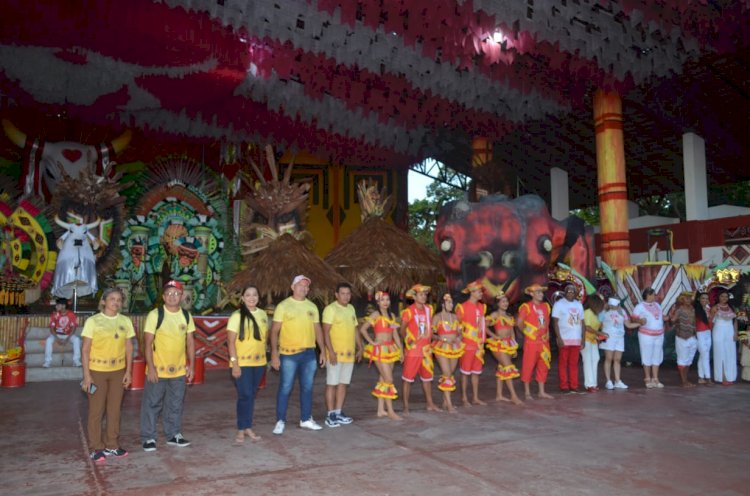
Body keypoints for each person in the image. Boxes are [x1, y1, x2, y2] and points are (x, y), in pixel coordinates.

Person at [140, 280, 196, 451]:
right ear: (163, 296)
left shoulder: (186, 316)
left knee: (175, 403)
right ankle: (148, 437)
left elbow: (190, 343)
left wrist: (191, 366)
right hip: (158, 370)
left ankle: (173, 434)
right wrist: (151, 368)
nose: (173, 296)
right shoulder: (155, 315)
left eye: (176, 293)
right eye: (169, 293)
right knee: (152, 403)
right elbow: (147, 343)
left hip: (178, 370)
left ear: (181, 296)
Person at [81, 288, 134, 462]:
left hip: (118, 371)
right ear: (103, 301)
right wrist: (87, 376)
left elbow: (129, 348)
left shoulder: (125, 321)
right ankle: (96, 447)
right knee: (96, 410)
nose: (116, 302)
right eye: (112, 298)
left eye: (119, 299)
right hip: (97, 372)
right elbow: (85, 349)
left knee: (114, 410)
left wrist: (128, 371)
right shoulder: (93, 321)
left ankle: (112, 444)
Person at [270, 275, 326, 435]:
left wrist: (322, 350)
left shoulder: (312, 307)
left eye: (307, 286)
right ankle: (280, 420)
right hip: (288, 354)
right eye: (301, 285)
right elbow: (274, 331)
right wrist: (274, 353)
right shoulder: (283, 306)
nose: (304, 288)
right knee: (285, 387)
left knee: (307, 387)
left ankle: (306, 419)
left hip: (308, 354)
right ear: (292, 287)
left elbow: (317, 330)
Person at [227, 284, 268, 443]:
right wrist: (234, 364)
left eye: (255, 295)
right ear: (242, 298)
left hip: (259, 363)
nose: (252, 298)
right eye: (248, 295)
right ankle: (241, 428)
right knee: (245, 395)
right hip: (242, 363)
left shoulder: (263, 314)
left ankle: (247, 427)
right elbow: (230, 342)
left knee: (251, 395)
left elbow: (263, 339)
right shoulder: (236, 316)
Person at [322, 282, 363, 428]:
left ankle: (338, 412)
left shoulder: (351, 308)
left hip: (349, 354)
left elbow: (355, 329)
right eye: (343, 293)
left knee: (343, 384)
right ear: (336, 295)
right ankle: (330, 414)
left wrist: (360, 347)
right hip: (335, 355)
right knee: (332, 384)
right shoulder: (330, 309)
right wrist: (330, 352)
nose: (346, 296)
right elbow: (325, 332)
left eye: (348, 294)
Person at [360, 291, 403, 420]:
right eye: (382, 300)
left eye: (387, 300)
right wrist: (372, 341)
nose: (386, 302)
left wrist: (401, 350)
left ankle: (380, 410)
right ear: (378, 302)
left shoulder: (392, 315)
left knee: (383, 379)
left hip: (391, 349)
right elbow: (363, 329)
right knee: (389, 379)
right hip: (380, 349)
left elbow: (395, 334)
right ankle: (390, 411)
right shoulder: (375, 314)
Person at [400, 284, 441, 414]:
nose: (424, 297)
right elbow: (402, 329)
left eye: (425, 294)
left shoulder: (429, 309)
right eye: (421, 294)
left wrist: (437, 337)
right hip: (413, 351)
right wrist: (408, 341)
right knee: (407, 379)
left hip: (427, 350)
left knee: (427, 379)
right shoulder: (409, 311)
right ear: (414, 296)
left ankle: (430, 404)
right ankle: (406, 406)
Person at [485, 292, 522, 404]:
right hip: (498, 344)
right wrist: (494, 336)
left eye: (506, 301)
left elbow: (512, 332)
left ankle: (499, 395)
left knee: (502, 367)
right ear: (498, 304)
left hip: (508, 344)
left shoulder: (509, 316)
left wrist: (514, 346)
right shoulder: (495, 315)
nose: (506, 303)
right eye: (503, 302)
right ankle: (513, 396)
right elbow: (484, 326)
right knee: (508, 367)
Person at [518, 283, 553, 400]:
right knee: (528, 366)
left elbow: (547, 323)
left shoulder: (546, 306)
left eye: (541, 292)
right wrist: (529, 333)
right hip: (531, 343)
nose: (541, 294)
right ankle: (527, 393)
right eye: (538, 292)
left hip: (543, 342)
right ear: (532, 294)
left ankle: (541, 391)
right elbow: (519, 323)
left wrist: (547, 332)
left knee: (543, 366)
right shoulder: (526, 307)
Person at [431, 293, 465, 412]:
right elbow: (431, 333)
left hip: (454, 347)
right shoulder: (437, 317)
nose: (451, 305)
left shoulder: (455, 317)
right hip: (441, 347)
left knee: (450, 373)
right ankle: (449, 405)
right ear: (443, 304)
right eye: (449, 302)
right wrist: (440, 338)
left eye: (452, 302)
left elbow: (460, 332)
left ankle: (445, 402)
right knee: (446, 373)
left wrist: (459, 338)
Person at [456, 280, 487, 406]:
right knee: (465, 373)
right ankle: (464, 398)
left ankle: (475, 397)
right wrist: (458, 342)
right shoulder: (462, 307)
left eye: (481, 291)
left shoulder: (482, 307)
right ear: (472, 292)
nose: (481, 294)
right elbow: (457, 327)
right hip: (467, 345)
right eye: (479, 291)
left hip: (479, 345)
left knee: (476, 372)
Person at [599, 297, 640, 390]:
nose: (614, 307)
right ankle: (608, 381)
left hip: (619, 338)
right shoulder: (604, 312)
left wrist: (640, 324)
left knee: (617, 359)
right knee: (609, 358)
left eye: (616, 305)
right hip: (608, 337)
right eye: (612, 305)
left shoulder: (622, 312)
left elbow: (628, 324)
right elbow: (599, 324)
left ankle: (617, 381)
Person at [551, 283, 585, 394]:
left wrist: (583, 339)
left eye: (573, 291)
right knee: (563, 363)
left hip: (576, 339)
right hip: (564, 339)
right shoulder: (559, 304)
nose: (571, 293)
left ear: (576, 294)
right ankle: (564, 386)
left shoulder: (579, 304)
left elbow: (582, 323)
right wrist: (558, 337)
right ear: (565, 292)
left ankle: (574, 385)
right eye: (569, 291)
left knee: (574, 364)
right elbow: (555, 322)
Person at [632, 288, 667, 389]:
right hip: (646, 335)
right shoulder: (640, 306)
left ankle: (655, 378)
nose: (654, 296)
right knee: (647, 356)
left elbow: (659, 316)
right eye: (652, 294)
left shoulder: (657, 305)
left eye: (654, 295)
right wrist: (640, 320)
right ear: (647, 295)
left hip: (659, 335)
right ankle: (647, 378)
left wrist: (665, 318)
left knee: (657, 355)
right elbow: (633, 318)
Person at [669, 292, 698, 388]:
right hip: (682, 337)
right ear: (682, 299)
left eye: (690, 298)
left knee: (689, 360)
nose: (688, 300)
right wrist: (671, 317)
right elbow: (672, 321)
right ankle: (684, 381)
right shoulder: (679, 310)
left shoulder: (693, 309)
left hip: (692, 337)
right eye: (686, 298)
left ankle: (685, 379)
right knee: (682, 360)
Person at [710, 290, 738, 385]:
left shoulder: (731, 307)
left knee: (730, 353)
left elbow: (735, 321)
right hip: (718, 330)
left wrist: (735, 333)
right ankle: (722, 377)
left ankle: (730, 376)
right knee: (719, 353)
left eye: (726, 296)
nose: (724, 298)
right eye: (722, 296)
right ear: (719, 297)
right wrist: (713, 312)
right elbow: (710, 321)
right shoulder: (715, 307)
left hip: (729, 331)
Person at [44, 298, 81, 367]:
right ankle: (47, 361)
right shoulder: (55, 314)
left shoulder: (71, 314)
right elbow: (51, 328)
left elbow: (73, 328)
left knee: (76, 339)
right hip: (57, 334)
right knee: (48, 340)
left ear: (63, 306)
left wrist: (67, 339)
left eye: (58, 305)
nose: (56, 306)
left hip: (68, 334)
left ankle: (76, 360)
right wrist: (57, 338)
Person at [580, 294, 605, 392]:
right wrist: (599, 332)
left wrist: (599, 334)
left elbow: (594, 328)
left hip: (593, 340)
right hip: (585, 339)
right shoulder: (587, 312)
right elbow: (586, 327)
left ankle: (594, 383)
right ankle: (589, 384)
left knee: (595, 359)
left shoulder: (594, 314)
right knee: (588, 361)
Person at [693, 291, 712, 385]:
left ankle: (701, 377)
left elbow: (710, 322)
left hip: (708, 332)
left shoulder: (709, 309)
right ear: (699, 299)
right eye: (703, 298)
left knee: (703, 354)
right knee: (705, 355)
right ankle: (708, 377)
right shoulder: (696, 309)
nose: (705, 300)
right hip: (699, 333)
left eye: (706, 298)